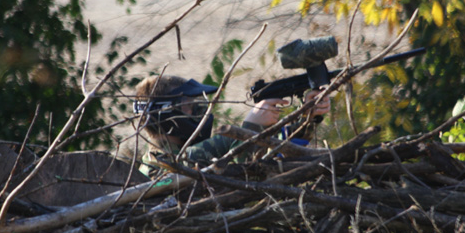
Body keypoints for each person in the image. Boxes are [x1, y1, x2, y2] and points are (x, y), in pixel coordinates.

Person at [130, 75, 329, 175]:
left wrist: (309, 118)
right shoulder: (155, 169)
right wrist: (250, 128)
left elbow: (277, 151)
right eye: (190, 107)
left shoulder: (197, 153)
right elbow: (248, 167)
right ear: (166, 112)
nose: (200, 112)